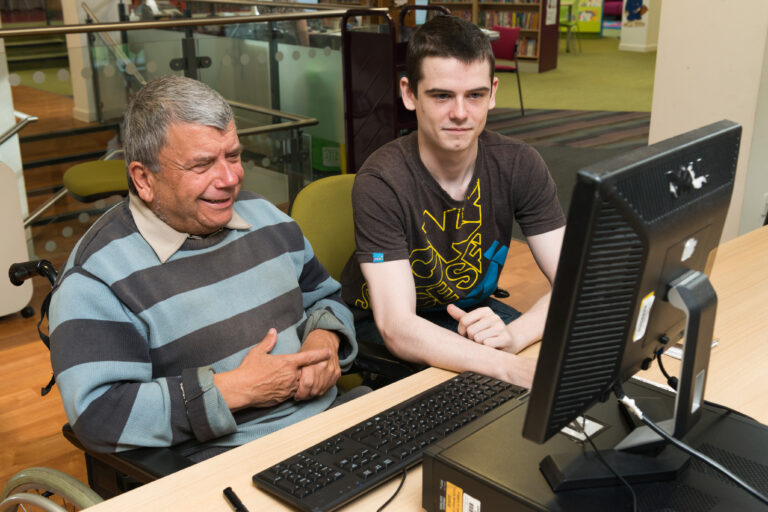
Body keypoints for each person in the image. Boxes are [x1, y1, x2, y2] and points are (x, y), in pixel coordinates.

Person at [48, 75, 358, 462]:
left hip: (334, 422)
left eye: (233, 155)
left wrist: (324, 342)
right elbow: (98, 415)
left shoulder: (267, 218)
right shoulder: (97, 278)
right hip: (228, 459)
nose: (230, 179)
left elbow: (326, 297)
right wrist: (235, 390)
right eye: (202, 164)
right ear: (144, 179)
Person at [340, 16, 565, 388]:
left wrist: (515, 336)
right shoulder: (382, 180)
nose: (460, 113)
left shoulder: (519, 163)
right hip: (386, 329)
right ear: (409, 94)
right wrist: (504, 365)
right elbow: (397, 326)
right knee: (494, 393)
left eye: (474, 95)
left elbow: (576, 283)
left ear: (493, 92)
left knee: (557, 377)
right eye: (442, 95)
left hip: (474, 314)